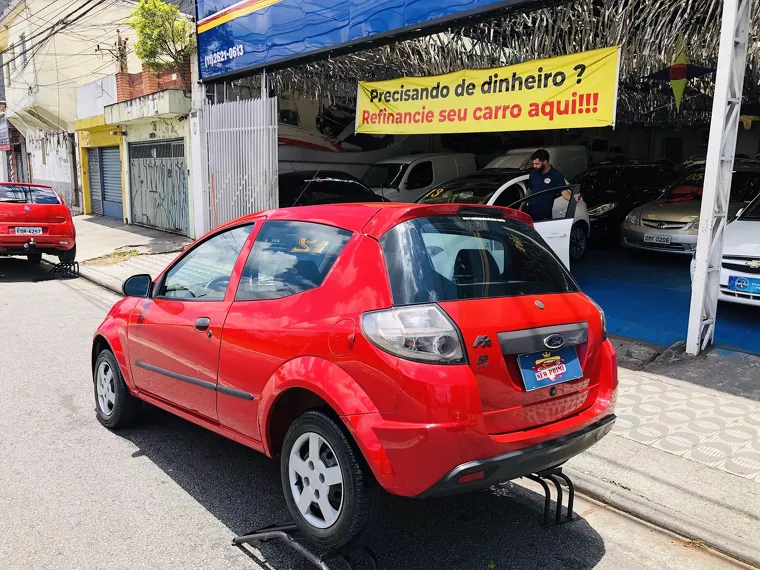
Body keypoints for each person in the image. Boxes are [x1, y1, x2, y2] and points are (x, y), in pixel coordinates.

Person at [524, 149, 580, 221]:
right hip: (529, 213)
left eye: (537, 164)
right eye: (534, 164)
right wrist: (521, 206)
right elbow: (529, 191)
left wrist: (575, 197)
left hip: (544, 217)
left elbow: (565, 193)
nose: (534, 166)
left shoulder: (556, 175)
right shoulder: (533, 174)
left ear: (545, 162)